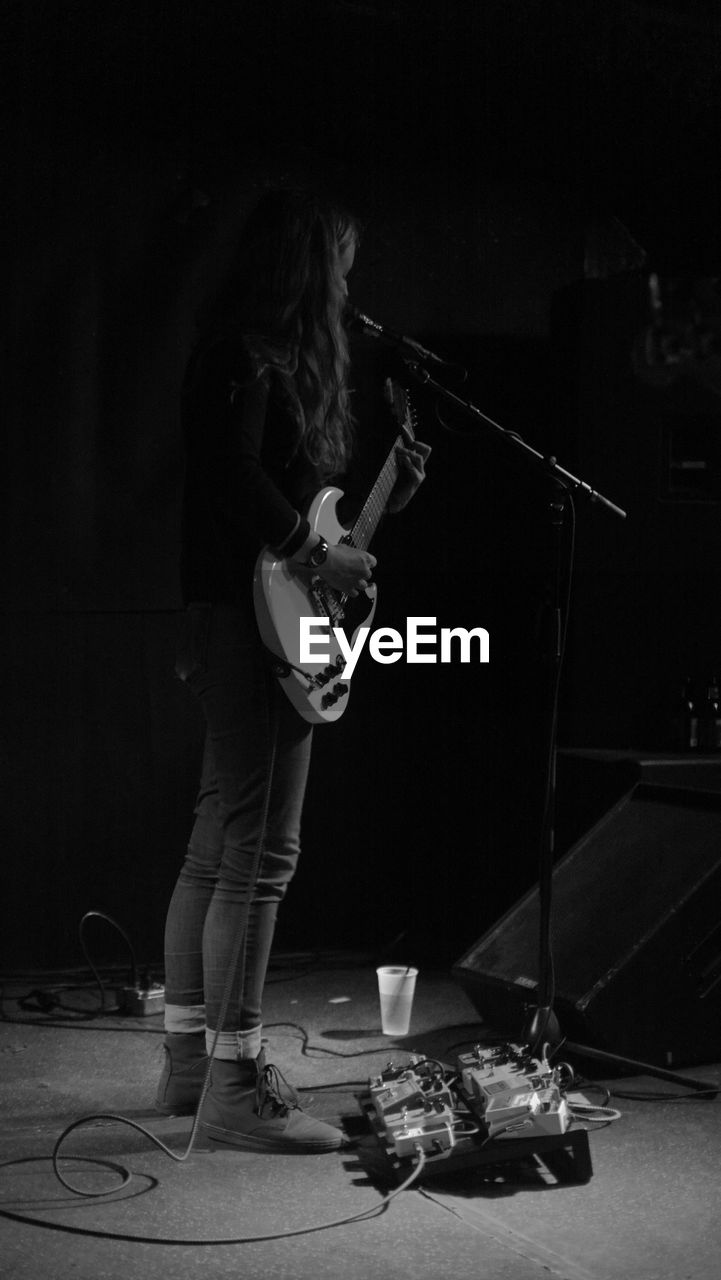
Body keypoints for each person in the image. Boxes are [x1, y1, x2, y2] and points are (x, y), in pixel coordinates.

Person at [155, 188, 431, 1153]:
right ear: (309, 272)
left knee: (216, 839)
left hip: (229, 616)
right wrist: (320, 560)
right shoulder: (244, 359)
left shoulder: (241, 357)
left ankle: (190, 1064)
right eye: (343, 270)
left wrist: (375, 507)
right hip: (255, 622)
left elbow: (288, 505)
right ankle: (234, 1080)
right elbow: (237, 482)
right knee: (262, 855)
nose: (352, 288)